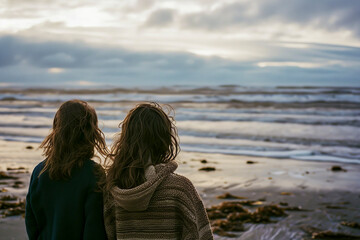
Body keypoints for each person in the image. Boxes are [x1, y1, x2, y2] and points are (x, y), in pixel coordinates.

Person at [103, 102, 213, 240]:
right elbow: (201, 236)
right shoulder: (180, 188)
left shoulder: (112, 190)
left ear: (125, 139)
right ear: (165, 140)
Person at [25, 99, 108, 240]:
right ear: (90, 132)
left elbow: (31, 223)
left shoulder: (39, 171)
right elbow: (94, 229)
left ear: (57, 129)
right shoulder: (93, 173)